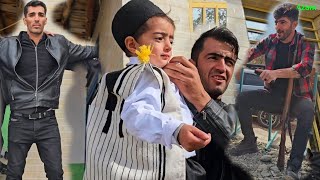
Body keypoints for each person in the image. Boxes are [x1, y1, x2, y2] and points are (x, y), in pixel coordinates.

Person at [84, 0, 217, 179]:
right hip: (175, 164)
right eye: (159, 38)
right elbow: (137, 114)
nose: (169, 46)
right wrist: (176, 130)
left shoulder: (126, 76)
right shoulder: (148, 75)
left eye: (171, 39)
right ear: (132, 45)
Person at [0, 0, 99, 179]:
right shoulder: (7, 45)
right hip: (18, 122)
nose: (36, 19)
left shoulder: (59, 43)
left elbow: (88, 52)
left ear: (45, 19)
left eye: (40, 15)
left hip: (48, 122)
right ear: (25, 20)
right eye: (32, 15)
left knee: (55, 173)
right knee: (14, 173)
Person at [229, 3, 315, 179]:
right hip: (274, 97)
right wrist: (237, 63)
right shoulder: (271, 41)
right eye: (276, 22)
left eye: (282, 22)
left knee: (307, 111)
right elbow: (252, 52)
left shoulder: (305, 43)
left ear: (294, 23)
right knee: (243, 99)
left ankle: (294, 165)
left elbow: (304, 68)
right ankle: (249, 142)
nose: (278, 27)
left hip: (296, 98)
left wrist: (276, 73)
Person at [164, 27, 252, 179]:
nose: (222, 68)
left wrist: (199, 97)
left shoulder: (233, 113)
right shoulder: (168, 104)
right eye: (213, 57)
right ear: (192, 65)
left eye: (229, 62)